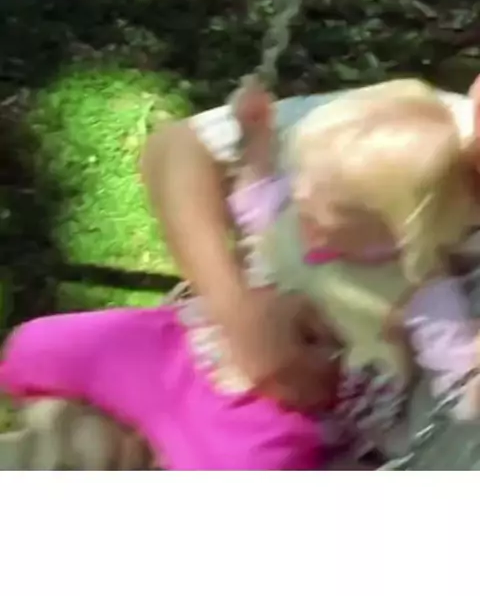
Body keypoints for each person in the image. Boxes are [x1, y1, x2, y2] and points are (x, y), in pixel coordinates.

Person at [1, 76, 480, 468]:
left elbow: (456, 360)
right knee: (36, 345)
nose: (304, 207)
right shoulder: (388, 135)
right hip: (187, 347)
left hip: (274, 417)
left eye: (326, 216)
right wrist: (257, 143)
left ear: (397, 234)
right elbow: (208, 167)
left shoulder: (418, 285)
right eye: (304, 195)